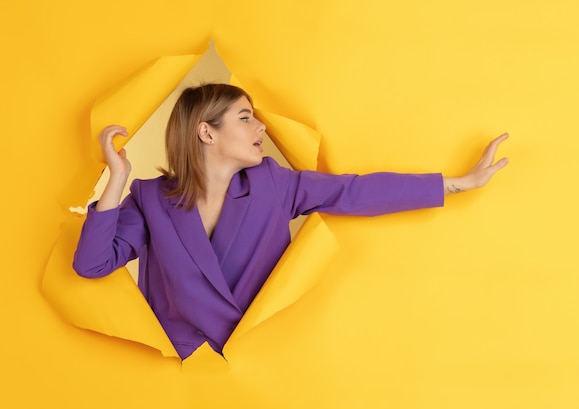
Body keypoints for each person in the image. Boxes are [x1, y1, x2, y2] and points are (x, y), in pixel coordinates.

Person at [73, 83, 509, 360]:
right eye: (245, 118)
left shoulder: (271, 185)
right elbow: (91, 264)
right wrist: (118, 178)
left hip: (260, 365)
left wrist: (456, 184)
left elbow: (353, 191)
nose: (260, 126)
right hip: (179, 373)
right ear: (207, 133)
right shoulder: (151, 198)